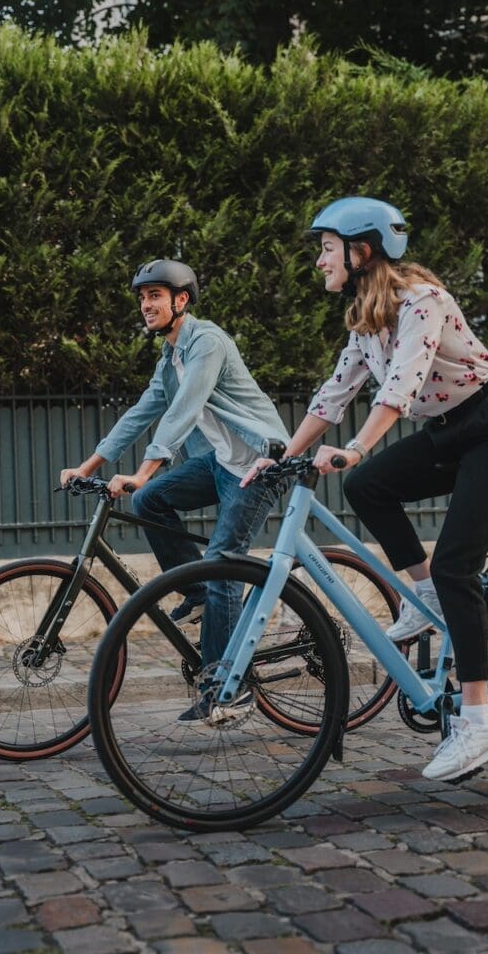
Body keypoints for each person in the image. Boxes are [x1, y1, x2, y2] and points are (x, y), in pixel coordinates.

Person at [242, 197, 488, 781]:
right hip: (451, 432)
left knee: (458, 565)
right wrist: (280, 457)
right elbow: (333, 395)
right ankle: (426, 595)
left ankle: (478, 721)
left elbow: (400, 386)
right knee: (368, 485)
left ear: (362, 251)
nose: (319, 262)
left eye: (327, 250)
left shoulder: (421, 302)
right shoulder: (365, 320)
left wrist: (354, 446)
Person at [61, 258, 289, 721]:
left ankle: (225, 687)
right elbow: (141, 413)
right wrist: (87, 465)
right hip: (223, 462)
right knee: (150, 501)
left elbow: (183, 413)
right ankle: (201, 594)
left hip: (258, 464)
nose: (146, 305)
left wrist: (143, 470)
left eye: (155, 296)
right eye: (143, 298)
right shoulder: (171, 355)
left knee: (223, 563)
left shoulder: (206, 343)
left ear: (181, 300)